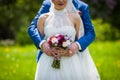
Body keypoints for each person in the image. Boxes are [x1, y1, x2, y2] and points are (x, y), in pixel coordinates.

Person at [28, 0, 100, 80]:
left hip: (71, 58)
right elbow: (32, 28)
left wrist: (76, 45)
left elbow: (90, 33)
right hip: (48, 57)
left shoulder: (82, 7)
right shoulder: (47, 5)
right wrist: (42, 43)